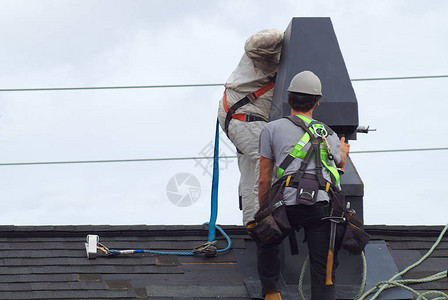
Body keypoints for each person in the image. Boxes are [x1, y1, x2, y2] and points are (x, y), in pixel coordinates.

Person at [257, 71, 350, 300]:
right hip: (322, 207)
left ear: (289, 99)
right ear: (316, 102)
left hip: (286, 204)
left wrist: (264, 213)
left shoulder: (271, 129)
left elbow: (263, 179)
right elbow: (338, 165)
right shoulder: (329, 133)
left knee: (266, 238)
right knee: (324, 271)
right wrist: (343, 152)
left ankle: (272, 293)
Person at [218, 29, 283, 226]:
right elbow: (255, 44)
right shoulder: (261, 52)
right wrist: (283, 39)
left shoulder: (278, 65)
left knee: (250, 169)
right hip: (244, 116)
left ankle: (252, 223)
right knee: (265, 164)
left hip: (240, 116)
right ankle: (263, 221)